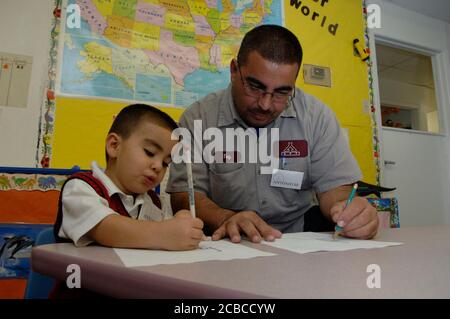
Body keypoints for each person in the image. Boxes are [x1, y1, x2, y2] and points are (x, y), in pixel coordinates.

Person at [166, 25, 378, 243]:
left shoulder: (317, 118)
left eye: (282, 92)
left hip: (298, 239)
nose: (266, 105)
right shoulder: (197, 119)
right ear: (233, 70)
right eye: (255, 87)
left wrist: (350, 211)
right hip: (227, 241)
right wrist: (226, 218)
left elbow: (336, 190)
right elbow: (184, 196)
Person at [54, 104, 205, 251]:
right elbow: (106, 228)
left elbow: (171, 230)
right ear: (114, 146)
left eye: (166, 163)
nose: (158, 166)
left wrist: (181, 221)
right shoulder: (80, 188)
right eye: (149, 152)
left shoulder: (153, 202)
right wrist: (164, 233)